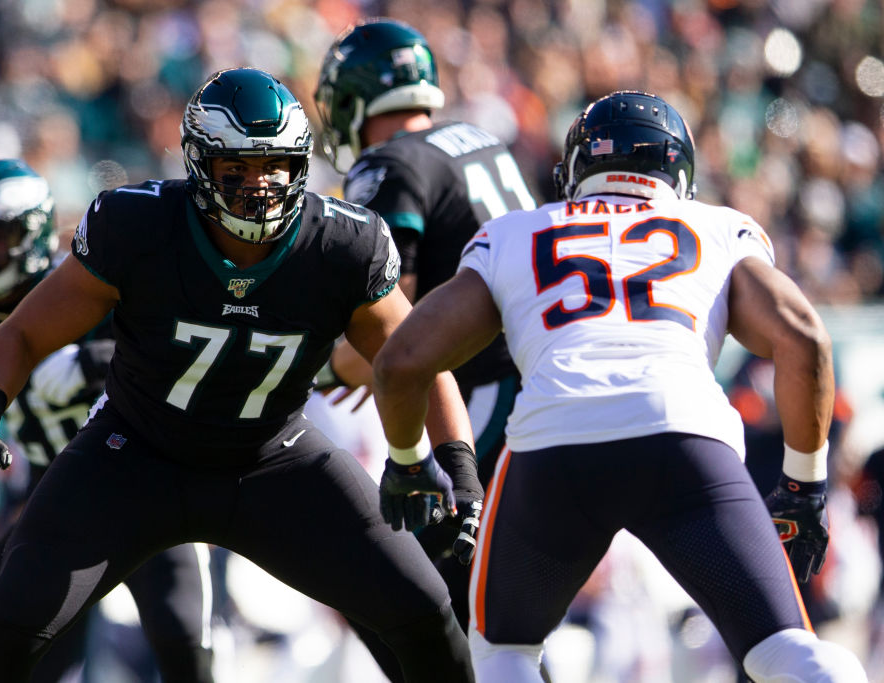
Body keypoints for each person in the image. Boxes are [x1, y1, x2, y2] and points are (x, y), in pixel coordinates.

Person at [0, 68, 477, 683]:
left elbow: (413, 356)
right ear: (199, 163)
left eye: (274, 165)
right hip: (133, 455)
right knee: (9, 627)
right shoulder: (139, 226)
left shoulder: (342, 243)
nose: (258, 185)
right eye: (236, 167)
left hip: (274, 459)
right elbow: (23, 332)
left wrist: (456, 467)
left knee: (423, 608)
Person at [370, 90, 868, 682]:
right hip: (685, 441)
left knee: (502, 654)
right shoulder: (716, 226)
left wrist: (407, 462)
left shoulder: (517, 231)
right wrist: (805, 485)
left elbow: (401, 361)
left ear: (577, 168)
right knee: (783, 649)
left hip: (556, 445)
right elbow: (805, 339)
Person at [0, 158, 215, 682]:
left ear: (34, 233)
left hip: (146, 482)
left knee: (184, 650)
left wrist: (91, 361)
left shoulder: (91, 282)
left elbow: (176, 351)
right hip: (57, 491)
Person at [313, 17, 535, 640]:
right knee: (493, 617)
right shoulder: (481, 138)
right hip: (535, 377)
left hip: (490, 392)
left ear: (356, 99)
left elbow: (396, 334)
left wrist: (323, 369)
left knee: (388, 580)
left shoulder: (388, 165)